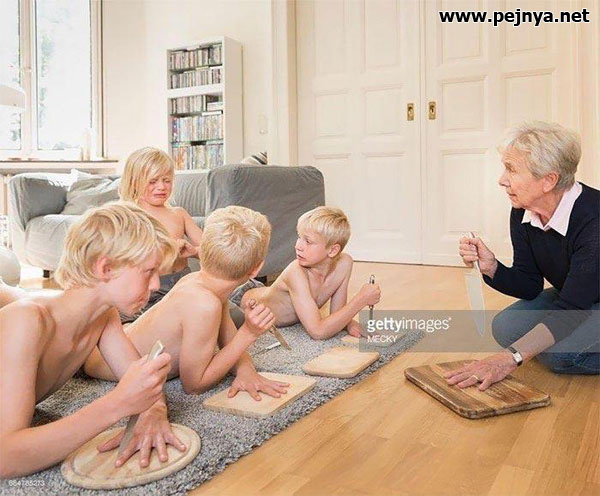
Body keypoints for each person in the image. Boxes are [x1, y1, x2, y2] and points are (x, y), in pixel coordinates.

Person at [0, 203, 186, 479]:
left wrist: (154, 411)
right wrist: (117, 404)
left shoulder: (104, 317)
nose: (157, 284)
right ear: (105, 268)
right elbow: (5, 458)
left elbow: (140, 377)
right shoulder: (25, 321)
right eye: (149, 271)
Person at [447, 121, 599, 391]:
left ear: (548, 180)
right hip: (580, 297)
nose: (502, 180)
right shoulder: (523, 210)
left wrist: (509, 359)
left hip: (581, 302)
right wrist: (491, 266)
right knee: (505, 326)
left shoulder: (593, 220)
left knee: (559, 355)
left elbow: (571, 310)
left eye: (512, 169)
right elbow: (529, 284)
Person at [84, 206, 290, 401]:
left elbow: (228, 337)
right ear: (256, 269)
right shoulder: (204, 304)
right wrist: (248, 334)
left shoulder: (202, 283)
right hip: (101, 361)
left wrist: (246, 370)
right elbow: (193, 385)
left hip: (121, 338)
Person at [239, 206, 381, 340]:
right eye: (299, 237)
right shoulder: (296, 271)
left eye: (308, 241)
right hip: (241, 301)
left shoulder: (344, 263)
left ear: (332, 250)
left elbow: (337, 312)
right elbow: (317, 331)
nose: (298, 246)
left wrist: (348, 323)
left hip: (264, 291)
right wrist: (361, 299)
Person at [119, 147, 203, 322]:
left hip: (182, 284)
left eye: (167, 180)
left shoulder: (179, 214)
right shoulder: (128, 216)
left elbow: (214, 253)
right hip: (145, 292)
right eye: (153, 181)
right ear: (134, 182)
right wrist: (165, 252)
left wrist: (194, 251)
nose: (161, 187)